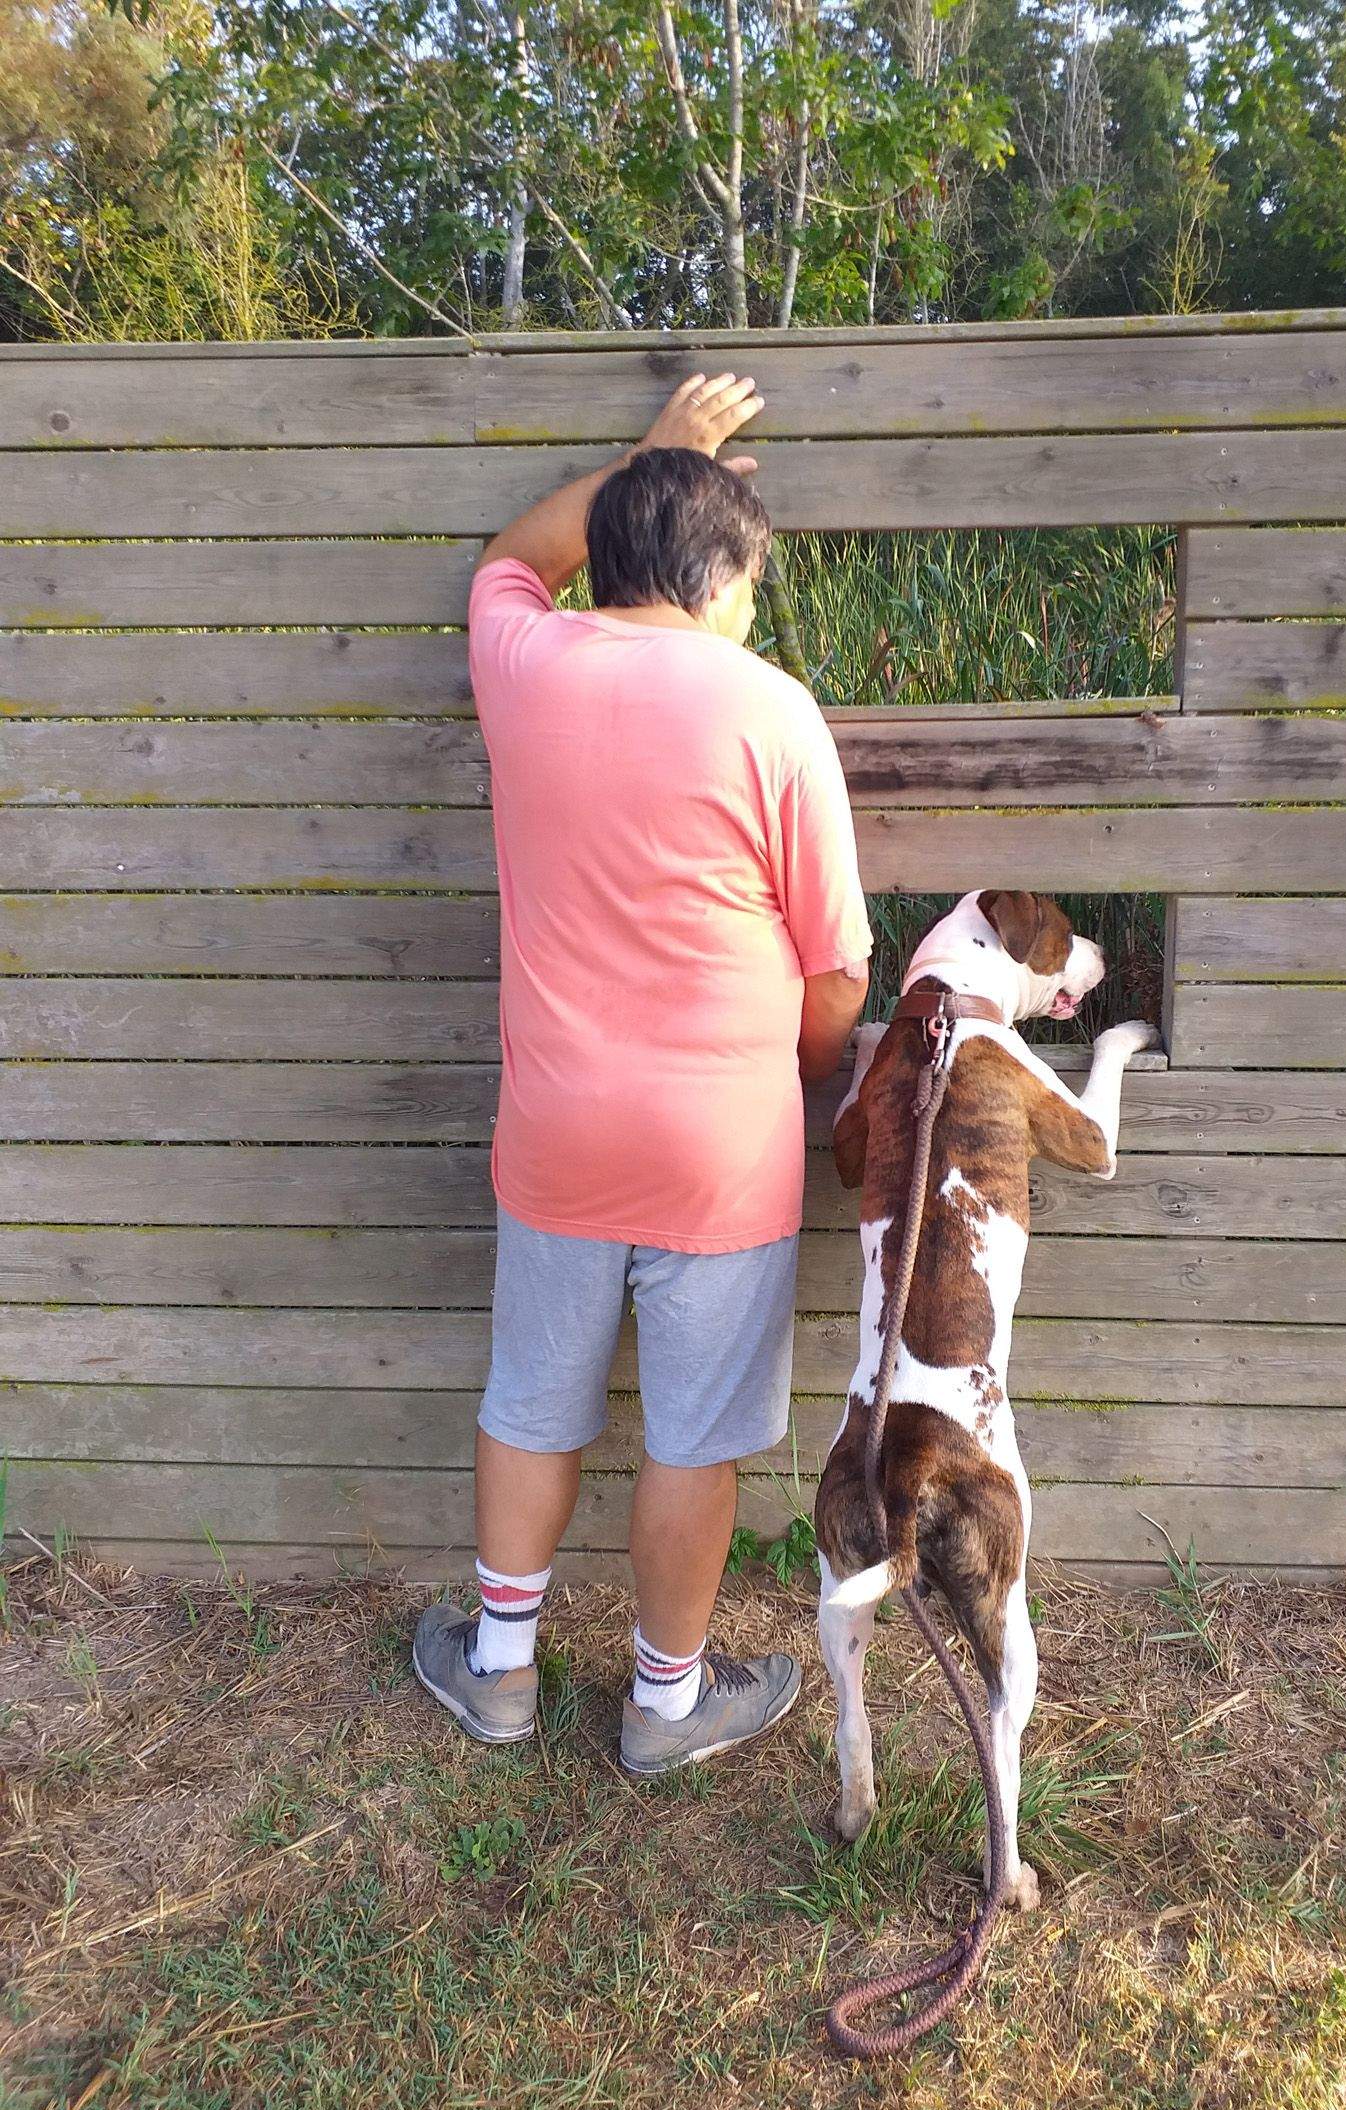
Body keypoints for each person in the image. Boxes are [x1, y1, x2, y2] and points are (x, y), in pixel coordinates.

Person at [413, 371, 873, 1775]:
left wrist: (655, 454)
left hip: (554, 1131)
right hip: (720, 1147)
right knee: (694, 1439)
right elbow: (836, 974)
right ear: (720, 572)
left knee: (530, 1400)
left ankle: (499, 1667)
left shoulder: (523, 664)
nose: (751, 615)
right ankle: (664, 1704)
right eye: (749, 586)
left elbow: (512, 557)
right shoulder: (773, 709)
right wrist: (798, 1079)